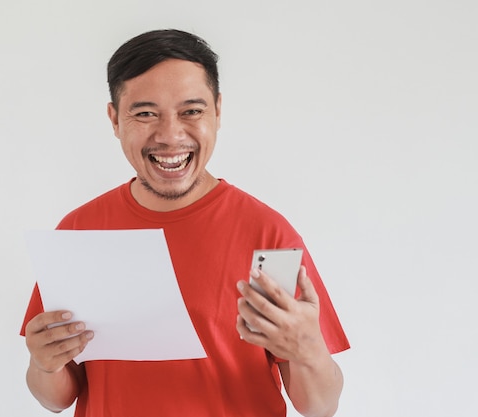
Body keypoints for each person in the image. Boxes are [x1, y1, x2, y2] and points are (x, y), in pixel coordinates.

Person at [21, 29, 350, 417]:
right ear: (114, 119)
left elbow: (318, 407)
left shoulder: (268, 235)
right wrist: (44, 364)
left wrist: (309, 349)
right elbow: (56, 397)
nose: (170, 135)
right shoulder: (79, 231)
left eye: (191, 111)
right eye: (145, 113)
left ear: (217, 111)